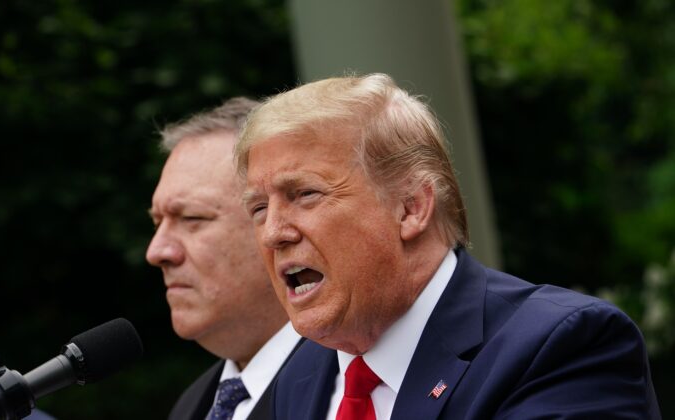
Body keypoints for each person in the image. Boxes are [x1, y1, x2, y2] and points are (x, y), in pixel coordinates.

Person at [235, 74, 661, 419]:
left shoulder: (561, 347)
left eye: (305, 194)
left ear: (411, 208)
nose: (273, 232)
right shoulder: (300, 376)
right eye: (258, 208)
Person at [146, 97, 302, 420]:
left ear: (275, 225)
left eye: (191, 218)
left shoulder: (349, 387)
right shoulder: (192, 405)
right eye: (157, 222)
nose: (157, 252)